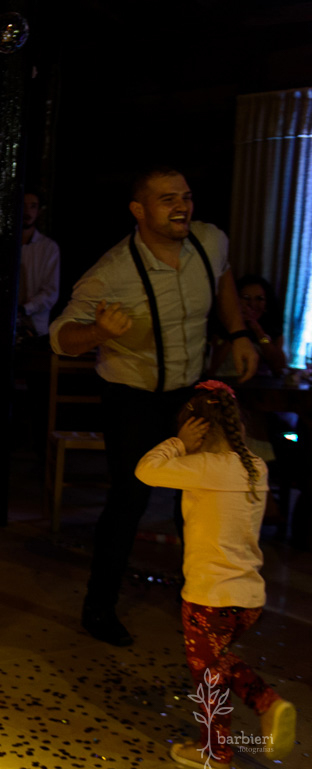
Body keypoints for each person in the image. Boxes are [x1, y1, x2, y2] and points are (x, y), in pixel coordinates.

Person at [49, 165, 258, 647]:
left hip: (190, 391)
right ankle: (99, 608)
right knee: (130, 498)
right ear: (138, 211)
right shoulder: (112, 272)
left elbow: (224, 277)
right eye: (168, 200)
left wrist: (239, 333)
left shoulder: (210, 241)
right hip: (132, 395)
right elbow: (61, 337)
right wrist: (99, 332)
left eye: (185, 196)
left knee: (205, 496)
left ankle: (204, 603)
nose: (182, 207)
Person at [134, 380, 296, 769]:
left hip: (209, 598)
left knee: (208, 676)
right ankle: (263, 707)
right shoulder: (255, 466)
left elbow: (145, 470)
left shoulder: (204, 466)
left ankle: (218, 749)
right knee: (218, 662)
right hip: (249, 599)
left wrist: (178, 443)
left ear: (199, 428)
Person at [209, 275, 288, 378]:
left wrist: (258, 331)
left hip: (259, 385)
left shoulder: (270, 331)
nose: (252, 304)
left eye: (259, 299)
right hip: (223, 382)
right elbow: (211, 368)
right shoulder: (219, 326)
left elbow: (278, 366)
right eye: (246, 298)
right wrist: (236, 331)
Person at [17, 190, 60, 345]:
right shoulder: (6, 245)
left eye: (33, 206)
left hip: (35, 328)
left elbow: (51, 292)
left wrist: (25, 308)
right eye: (24, 205)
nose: (27, 211)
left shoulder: (48, 248)